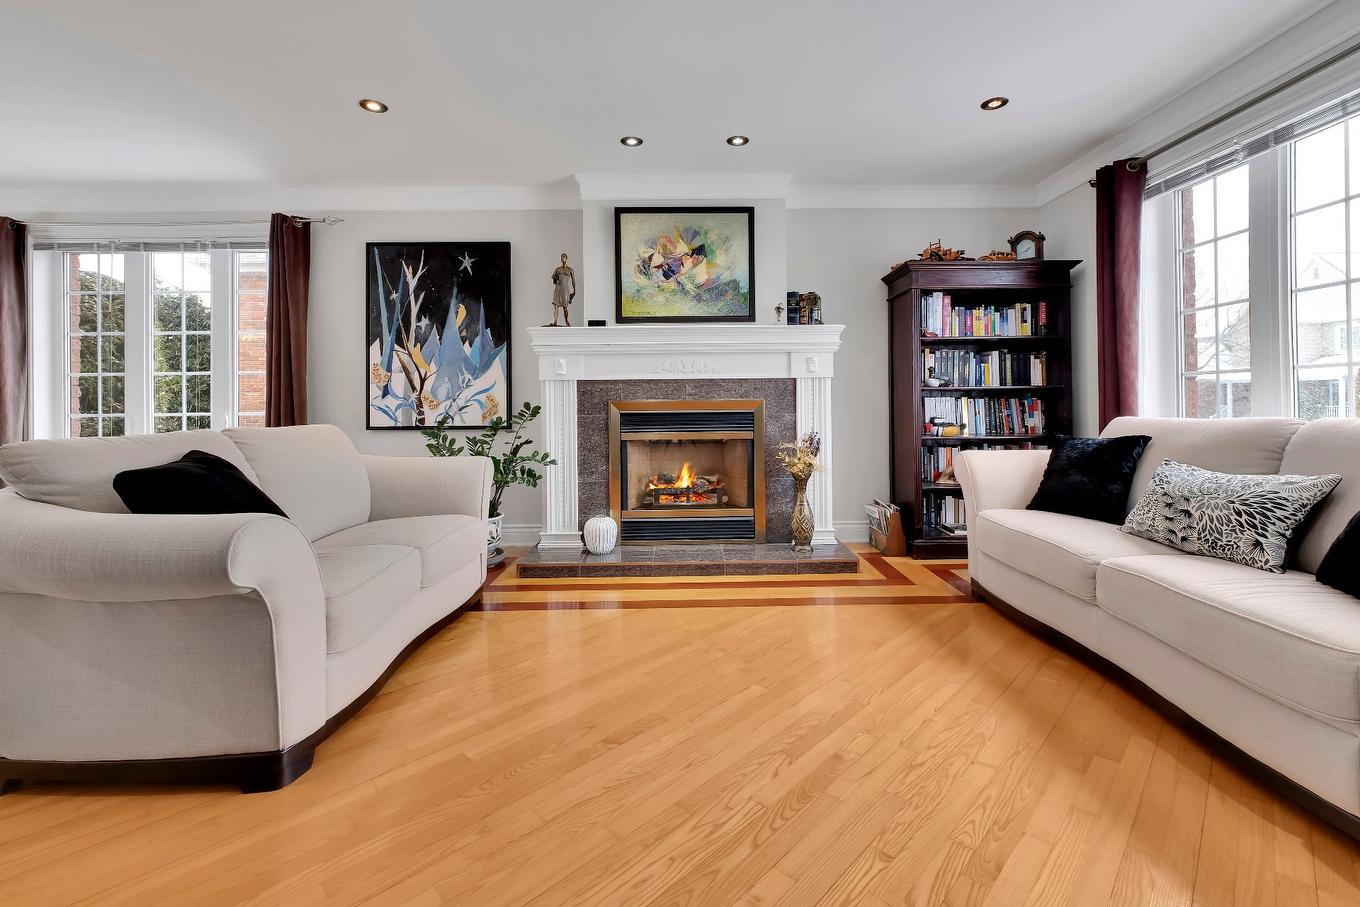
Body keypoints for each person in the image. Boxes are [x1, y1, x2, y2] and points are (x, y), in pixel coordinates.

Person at [550, 253, 576, 326]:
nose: (563, 258)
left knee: (565, 307)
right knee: (555, 306)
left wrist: (574, 291)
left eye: (564, 257)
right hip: (558, 288)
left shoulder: (570, 270)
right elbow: (553, 278)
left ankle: (567, 322)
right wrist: (556, 279)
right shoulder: (558, 269)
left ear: (566, 258)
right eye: (562, 257)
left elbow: (573, 281)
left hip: (565, 289)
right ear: (561, 259)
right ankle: (555, 322)